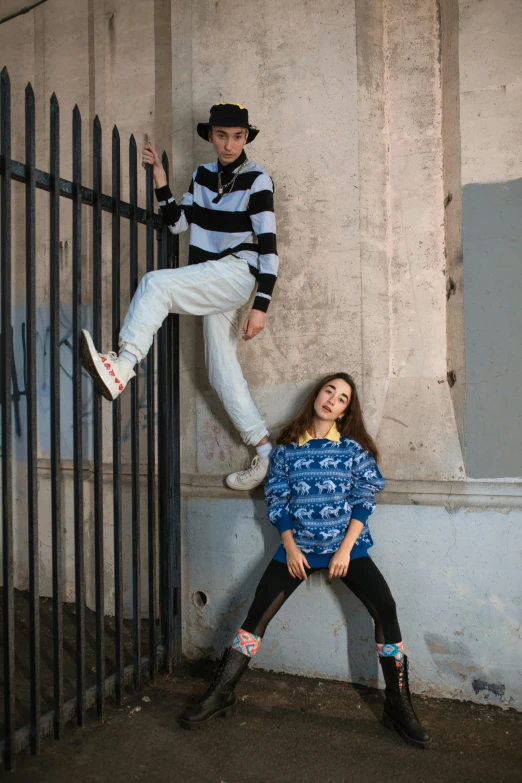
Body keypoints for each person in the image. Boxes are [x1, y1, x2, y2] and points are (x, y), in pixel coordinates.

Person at [179, 373, 431, 748]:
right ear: (317, 394)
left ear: (345, 412)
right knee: (255, 617)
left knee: (386, 610)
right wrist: (291, 547)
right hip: (297, 549)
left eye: (342, 398)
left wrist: (345, 549)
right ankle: (221, 693)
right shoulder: (285, 449)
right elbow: (276, 501)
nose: (332, 399)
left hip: (348, 548)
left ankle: (398, 706)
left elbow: (365, 498)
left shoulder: (351, 450)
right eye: (329, 390)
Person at [80, 102, 277, 490]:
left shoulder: (258, 178)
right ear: (210, 136)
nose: (229, 144)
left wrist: (261, 304)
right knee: (220, 369)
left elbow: (269, 245)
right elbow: (178, 224)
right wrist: (160, 179)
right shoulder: (202, 175)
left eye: (238, 136)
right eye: (222, 135)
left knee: (156, 284)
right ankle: (265, 450)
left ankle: (123, 364)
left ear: (245, 137)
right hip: (209, 277)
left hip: (237, 272)